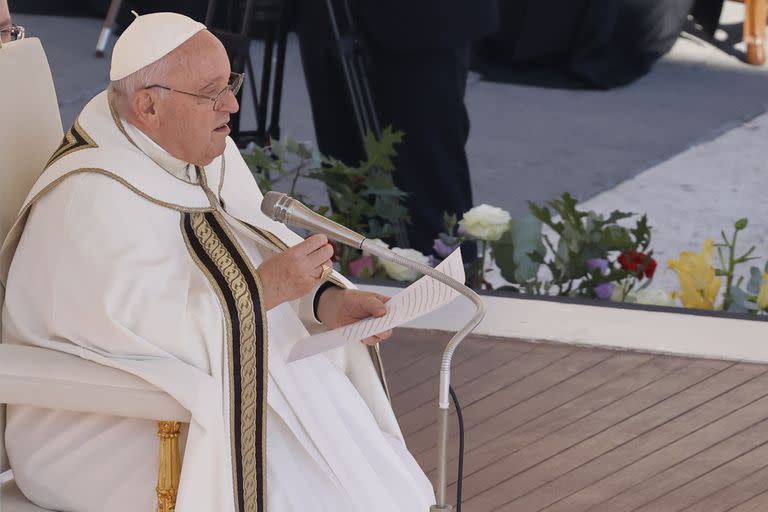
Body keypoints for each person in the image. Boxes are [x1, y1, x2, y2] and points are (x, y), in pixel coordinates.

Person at [0, 12, 434, 512]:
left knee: (359, 472)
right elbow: (133, 338)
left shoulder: (203, 148)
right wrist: (263, 291)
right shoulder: (90, 196)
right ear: (148, 106)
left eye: (232, 83)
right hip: (101, 424)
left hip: (214, 383)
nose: (232, 105)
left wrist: (326, 301)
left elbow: (256, 247)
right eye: (212, 92)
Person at [296, 0, 498, 262]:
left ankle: (450, 288)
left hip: (420, 18)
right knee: (348, 175)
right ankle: (364, 279)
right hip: (329, 14)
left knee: (427, 176)